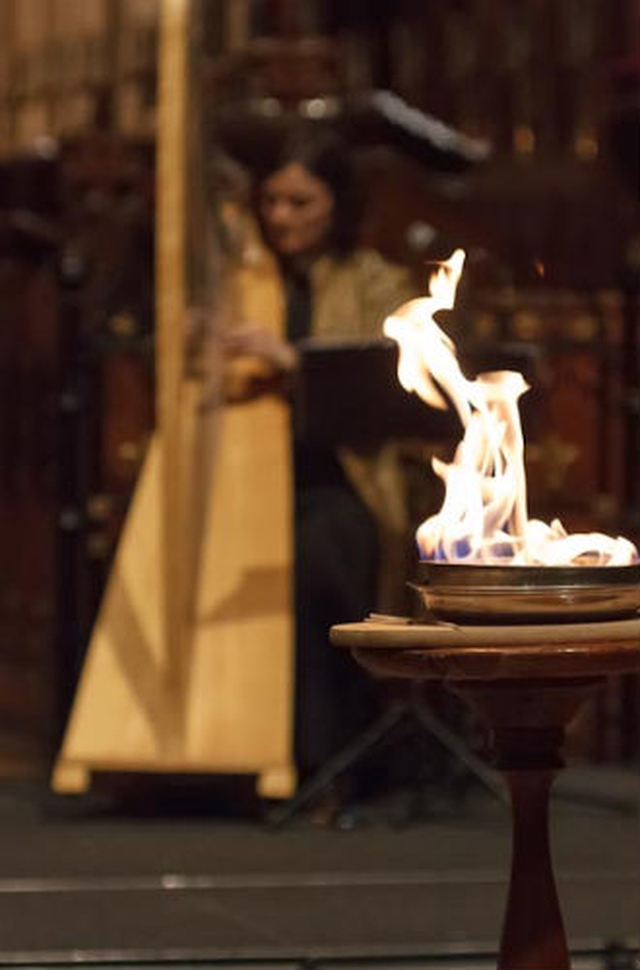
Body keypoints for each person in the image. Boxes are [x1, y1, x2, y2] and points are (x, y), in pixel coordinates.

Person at [215, 121, 419, 802]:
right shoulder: (236, 281)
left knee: (315, 553)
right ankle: (220, 756)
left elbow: (387, 396)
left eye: (300, 203)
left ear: (338, 203)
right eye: (271, 201)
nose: (280, 217)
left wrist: (294, 362)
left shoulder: (374, 281)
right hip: (242, 484)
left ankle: (325, 765)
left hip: (343, 482)